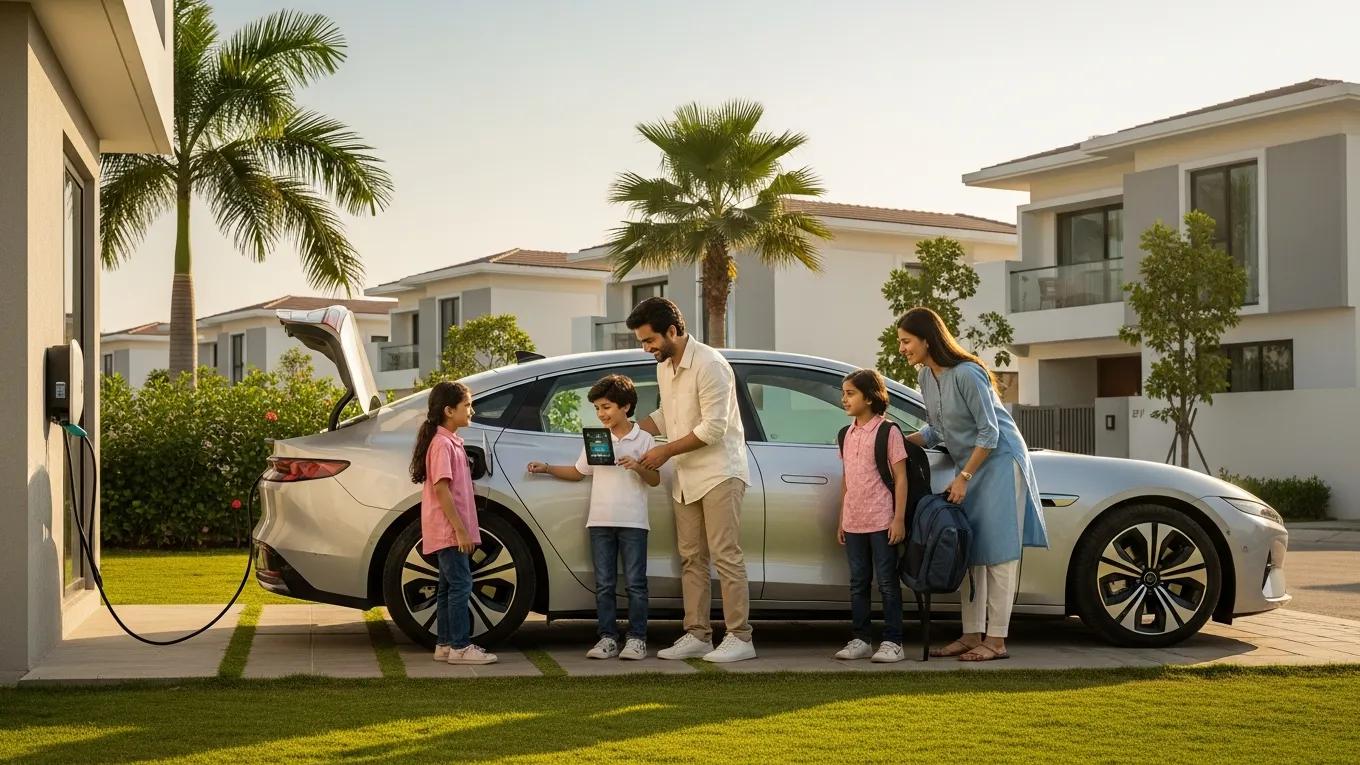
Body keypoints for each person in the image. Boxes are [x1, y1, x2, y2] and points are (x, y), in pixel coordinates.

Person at [897, 307, 1049, 662]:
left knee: (998, 554)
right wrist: (896, 441)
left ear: (926, 339)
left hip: (997, 462)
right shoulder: (925, 378)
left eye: (906, 341)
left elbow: (990, 431)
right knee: (969, 551)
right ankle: (970, 635)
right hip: (970, 465)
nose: (902, 348)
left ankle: (996, 640)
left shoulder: (968, 374)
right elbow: (938, 429)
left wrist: (964, 477)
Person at [629, 297, 757, 663]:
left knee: (726, 556)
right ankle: (697, 634)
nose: (646, 348)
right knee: (691, 559)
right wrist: (629, 432)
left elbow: (714, 428)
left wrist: (664, 452)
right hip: (685, 477)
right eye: (642, 341)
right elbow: (668, 415)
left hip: (720, 473)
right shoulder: (664, 366)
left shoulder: (711, 365)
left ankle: (740, 637)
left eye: (649, 340)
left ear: (672, 331)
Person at [527, 374, 660, 661]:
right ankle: (607, 638)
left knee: (636, 584)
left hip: (634, 523)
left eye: (607, 407)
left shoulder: (644, 438)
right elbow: (578, 473)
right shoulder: (596, 439)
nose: (601, 414)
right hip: (599, 522)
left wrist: (637, 466)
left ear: (626, 406)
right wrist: (547, 467)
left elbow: (655, 480)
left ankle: (637, 639)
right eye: (597, 408)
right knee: (604, 584)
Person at [408, 381, 498, 665]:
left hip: (449, 530)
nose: (472, 410)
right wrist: (460, 530)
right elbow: (441, 489)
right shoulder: (442, 444)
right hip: (450, 531)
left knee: (449, 587)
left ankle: (445, 644)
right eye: (467, 405)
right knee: (462, 586)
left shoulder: (448, 442)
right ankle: (460, 647)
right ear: (449, 410)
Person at [835, 369, 908, 663]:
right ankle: (861, 638)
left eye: (850, 393)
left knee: (887, 583)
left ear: (870, 396)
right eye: (844, 393)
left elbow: (901, 478)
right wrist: (842, 518)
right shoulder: (845, 434)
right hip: (854, 522)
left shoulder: (888, 432)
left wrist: (899, 519)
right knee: (858, 582)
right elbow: (846, 479)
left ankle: (893, 642)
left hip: (882, 521)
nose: (844, 399)